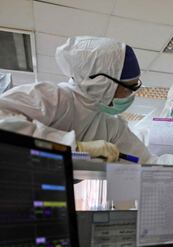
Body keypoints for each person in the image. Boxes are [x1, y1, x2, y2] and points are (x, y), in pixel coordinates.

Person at [0, 36, 151, 163]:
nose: (130, 95)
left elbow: (146, 161)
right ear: (101, 82)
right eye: (127, 88)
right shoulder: (54, 97)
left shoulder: (111, 125)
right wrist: (74, 146)